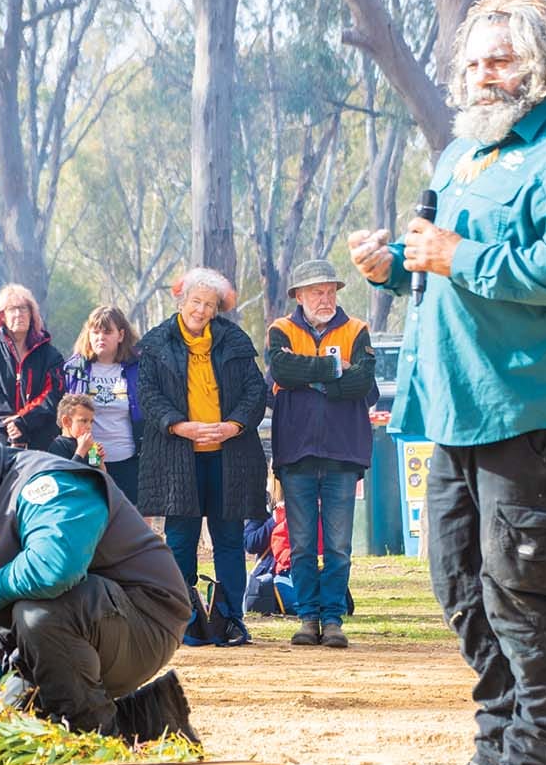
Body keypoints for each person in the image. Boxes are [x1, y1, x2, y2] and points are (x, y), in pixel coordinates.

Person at [348, 0, 546, 765]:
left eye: (497, 60)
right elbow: (440, 255)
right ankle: (494, 751)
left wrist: (453, 254)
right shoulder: (462, 153)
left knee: (522, 590)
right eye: (469, 62)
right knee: (459, 583)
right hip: (451, 408)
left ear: (540, 68)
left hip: (529, 411)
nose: (477, 75)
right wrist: (394, 263)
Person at [0, 425, 197, 742]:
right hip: (42, 644)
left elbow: (54, 568)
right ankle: (152, 724)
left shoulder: (48, 483)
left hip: (144, 618)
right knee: (6, 731)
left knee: (40, 614)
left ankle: (98, 743)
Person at [137, 267, 269, 647]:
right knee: (181, 537)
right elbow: (147, 395)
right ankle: (185, 618)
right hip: (178, 455)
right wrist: (179, 425)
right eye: (195, 301)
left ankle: (231, 619)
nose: (201, 309)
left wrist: (233, 425)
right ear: (182, 301)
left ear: (216, 310)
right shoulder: (157, 342)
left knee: (228, 536)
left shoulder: (234, 340)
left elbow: (253, 391)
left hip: (229, 455)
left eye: (209, 304)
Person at [266, 258, 377, 650]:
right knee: (299, 543)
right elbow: (281, 372)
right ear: (299, 295)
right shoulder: (280, 330)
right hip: (295, 452)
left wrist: (312, 379)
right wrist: (334, 368)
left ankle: (333, 619)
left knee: (337, 545)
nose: (325, 298)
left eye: (330, 291)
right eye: (317, 291)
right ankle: (306, 617)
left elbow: (364, 381)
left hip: (343, 453)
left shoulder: (357, 329)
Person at [0, 284, 64, 449]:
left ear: (32, 314)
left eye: (24, 309)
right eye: (12, 309)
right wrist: (11, 424)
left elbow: (53, 394)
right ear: (2, 315)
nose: (18, 314)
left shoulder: (50, 354)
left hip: (40, 442)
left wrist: (24, 421)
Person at [62, 306, 145, 503]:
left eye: (108, 332)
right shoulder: (74, 369)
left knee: (133, 526)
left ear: (121, 335)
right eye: (95, 332)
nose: (101, 337)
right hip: (89, 459)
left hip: (129, 459)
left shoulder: (138, 368)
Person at [47, 394, 104, 468]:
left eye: (91, 422)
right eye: (84, 421)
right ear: (66, 421)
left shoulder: (87, 445)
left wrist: (99, 462)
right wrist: (81, 450)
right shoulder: (58, 445)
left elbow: (100, 474)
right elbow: (68, 475)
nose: (89, 426)